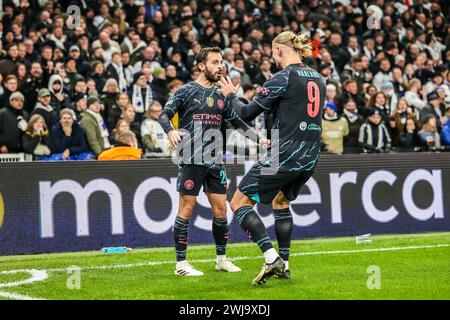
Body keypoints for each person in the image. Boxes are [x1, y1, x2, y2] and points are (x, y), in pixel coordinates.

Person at [218, 31, 326, 285]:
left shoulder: (282, 77)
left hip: (284, 153)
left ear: (279, 50)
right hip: (310, 155)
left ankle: (270, 257)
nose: (273, 57)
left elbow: (246, 111)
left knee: (239, 202)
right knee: (280, 203)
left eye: (272, 52)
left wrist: (231, 95)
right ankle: (285, 266)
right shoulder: (319, 78)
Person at [159, 47, 260, 277]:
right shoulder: (184, 91)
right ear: (201, 66)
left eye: (221, 62)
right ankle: (181, 264)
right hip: (191, 159)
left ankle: (221, 259)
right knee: (187, 208)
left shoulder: (221, 96)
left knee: (221, 210)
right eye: (215, 62)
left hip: (215, 161)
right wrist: (170, 131)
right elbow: (164, 114)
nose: (220, 66)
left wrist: (260, 139)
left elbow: (238, 124)